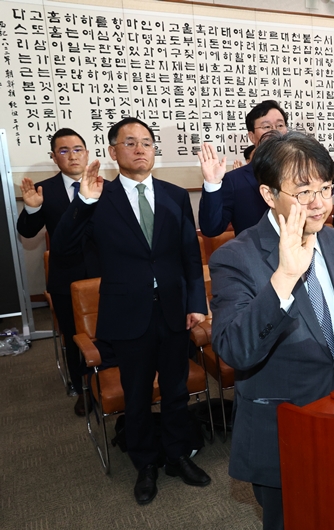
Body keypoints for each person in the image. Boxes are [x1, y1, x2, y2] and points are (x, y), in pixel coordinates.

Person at [208, 131, 334, 530]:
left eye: (326, 188)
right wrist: (284, 276)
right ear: (268, 195)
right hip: (283, 429)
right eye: (303, 191)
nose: (319, 203)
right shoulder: (235, 257)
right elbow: (235, 349)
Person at [50, 117, 210, 504]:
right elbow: (64, 252)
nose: (141, 149)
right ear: (112, 152)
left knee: (174, 392)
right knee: (136, 395)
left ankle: (176, 455)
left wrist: (195, 304)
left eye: (148, 143)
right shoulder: (97, 198)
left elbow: (190, 254)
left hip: (173, 312)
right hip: (127, 314)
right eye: (130, 143)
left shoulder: (174, 195)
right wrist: (84, 202)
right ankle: (145, 464)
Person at [16, 128, 99, 415]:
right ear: (54, 157)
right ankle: (84, 387)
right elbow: (27, 232)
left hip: (106, 274)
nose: (72, 155)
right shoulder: (44, 190)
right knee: (74, 336)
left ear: (86, 153)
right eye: (64, 150)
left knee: (111, 329)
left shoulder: (106, 185)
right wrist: (31, 210)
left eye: (77, 149)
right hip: (67, 277)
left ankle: (112, 378)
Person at [198, 100, 288, 236]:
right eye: (267, 127)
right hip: (255, 255)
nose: (275, 131)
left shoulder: (303, 172)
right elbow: (211, 229)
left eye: (280, 125)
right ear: (252, 136)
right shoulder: (235, 180)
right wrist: (212, 183)